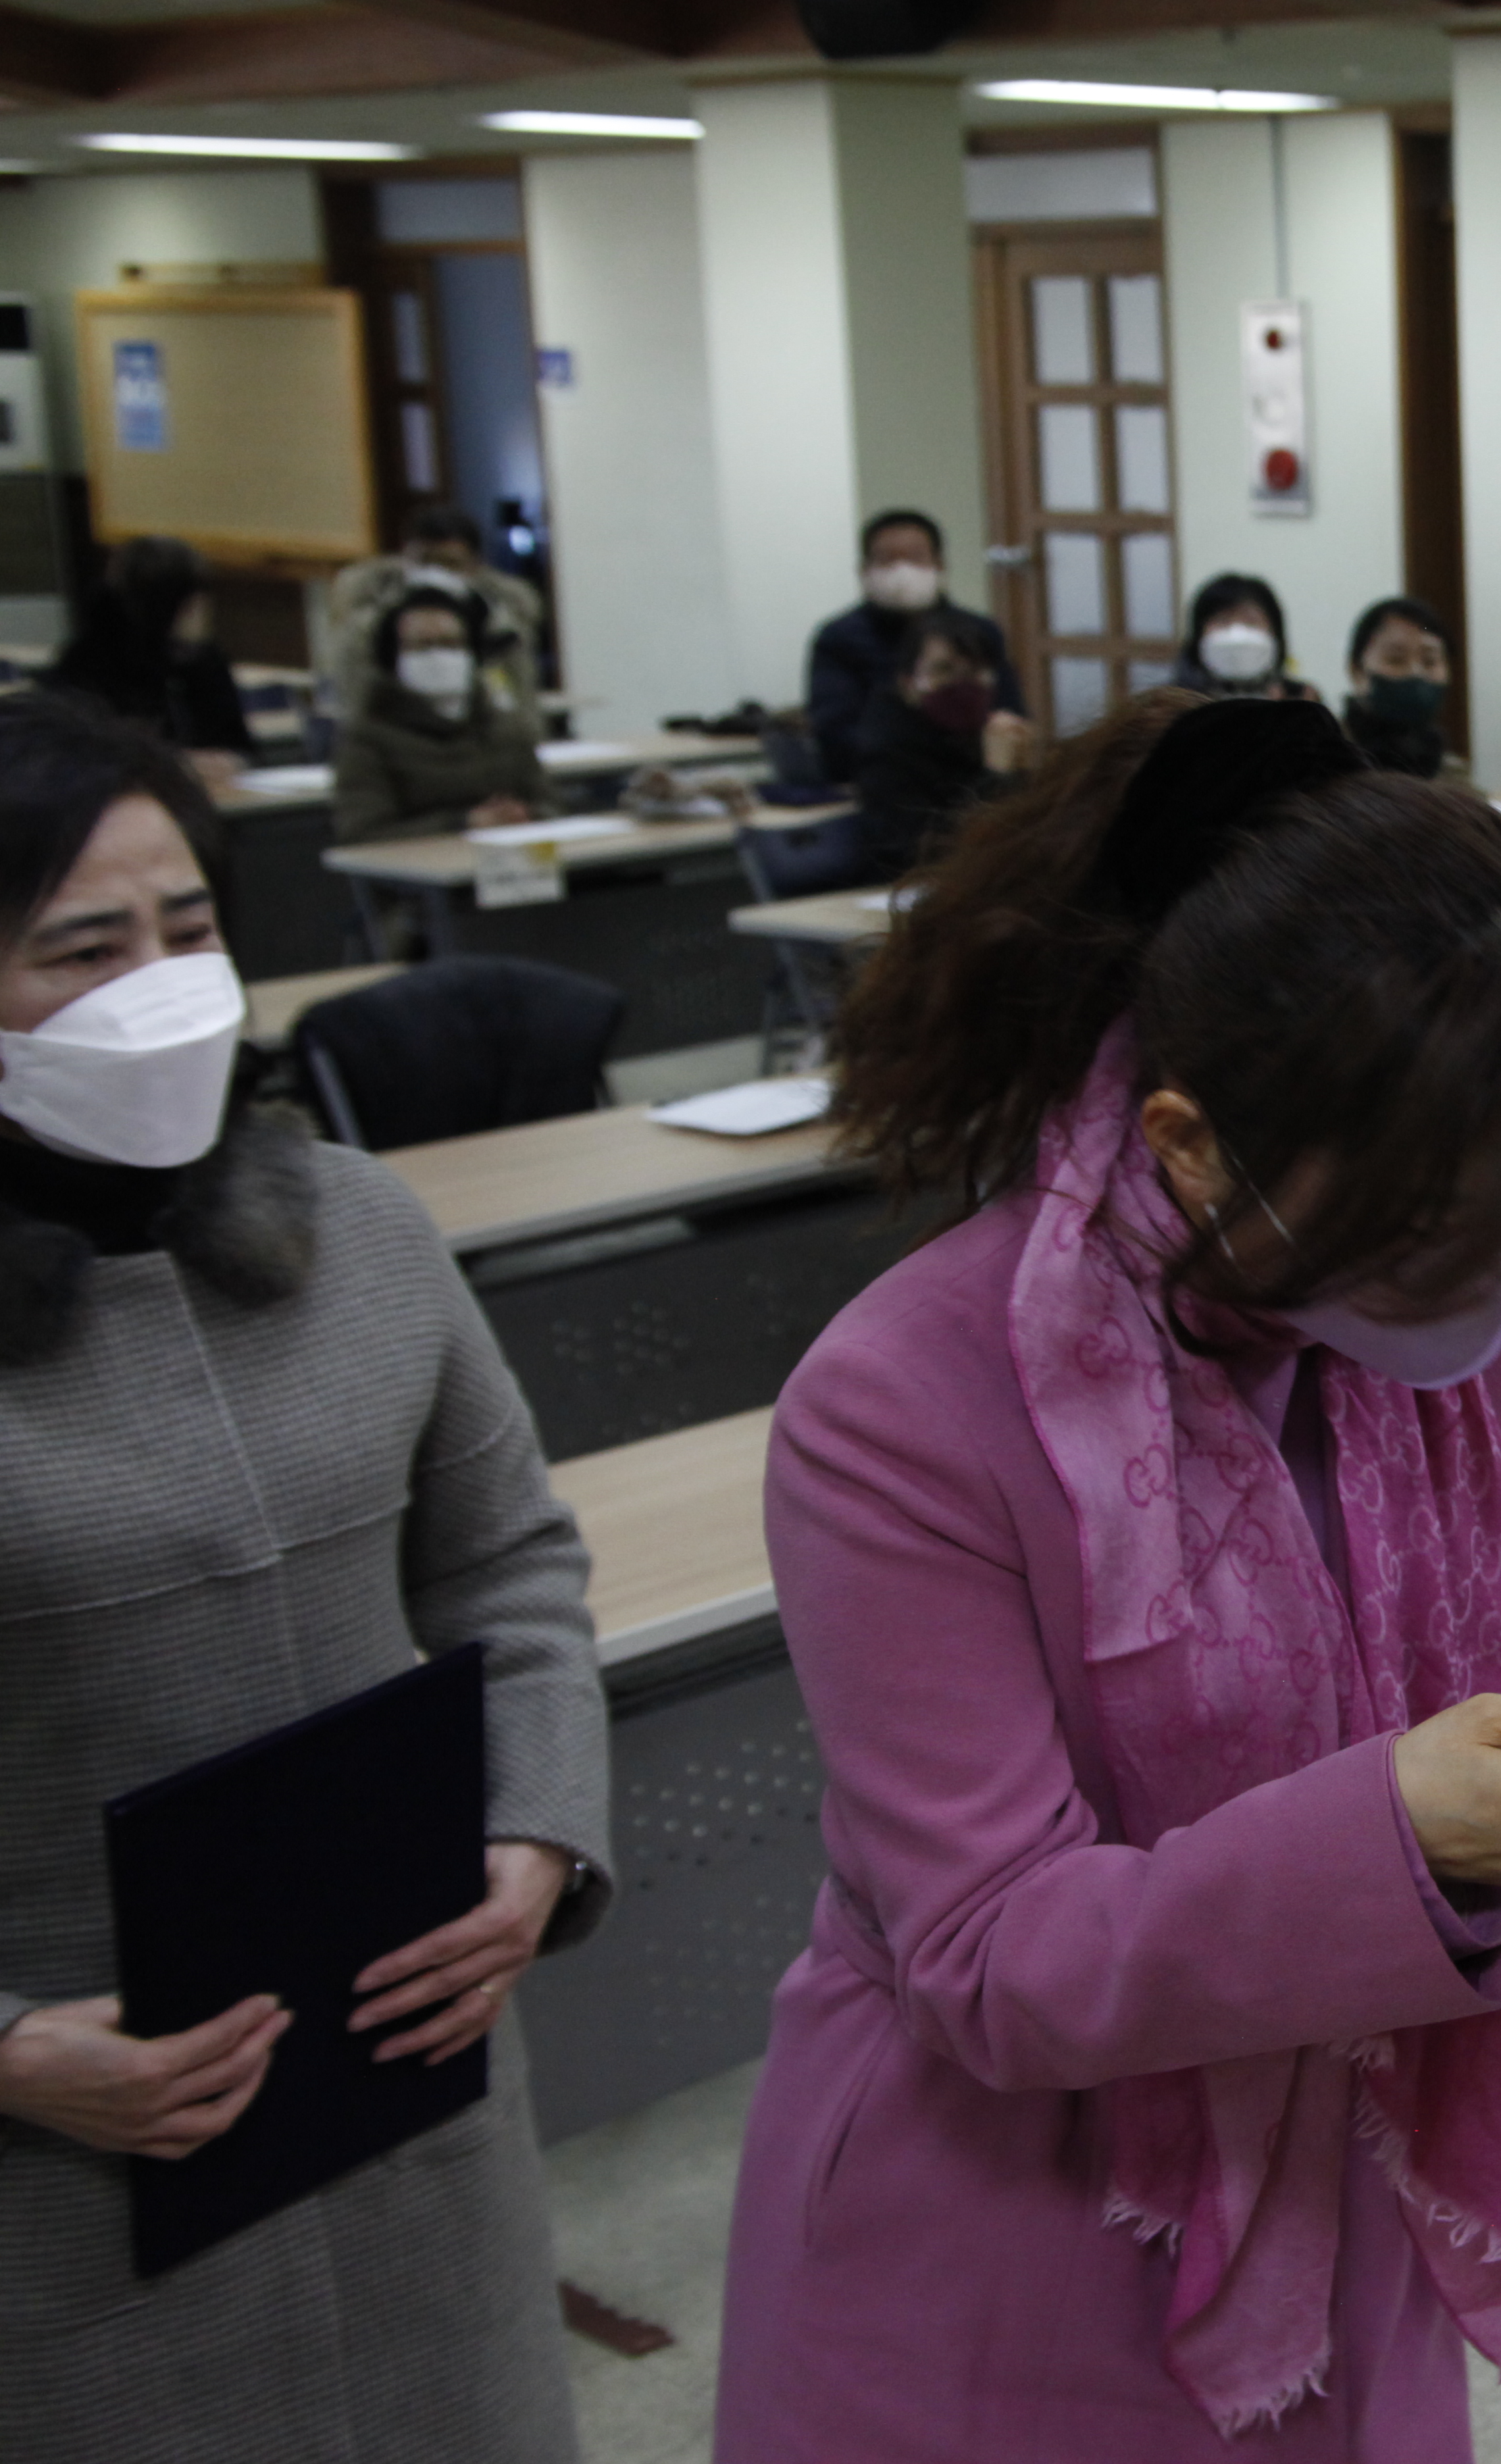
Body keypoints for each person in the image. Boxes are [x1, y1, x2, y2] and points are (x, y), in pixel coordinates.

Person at [712, 690, 1501, 2461]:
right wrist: (1400, 1835)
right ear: (1195, 1142)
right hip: (1007, 2245)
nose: (1494, 1284)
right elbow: (989, 1956)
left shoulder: (1434, 1289)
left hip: (1341, 2152)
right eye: (1442, 1236)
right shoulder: (904, 1406)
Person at [0, 691, 612, 2460]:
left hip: (406, 2089)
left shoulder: (361, 1232)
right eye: (80, 947)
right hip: (77, 2171)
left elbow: (512, 1570)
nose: (156, 984)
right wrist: (19, 2051)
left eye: (186, 927)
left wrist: (537, 1831)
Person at [805, 509, 1021, 783]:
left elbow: (1009, 711)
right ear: (864, 570)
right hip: (878, 775)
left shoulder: (979, 630)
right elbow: (834, 731)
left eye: (916, 557)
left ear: (940, 564)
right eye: (886, 560)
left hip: (976, 774)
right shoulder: (839, 637)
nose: (902, 570)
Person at [329, 585, 551, 846]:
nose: (439, 656)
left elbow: (551, 804)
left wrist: (526, 815)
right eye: (422, 646)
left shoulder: (505, 727)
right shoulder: (368, 738)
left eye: (451, 644)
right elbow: (362, 833)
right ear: (394, 659)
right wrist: (464, 823)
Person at [846, 607, 1038, 881]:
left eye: (976, 672)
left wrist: (1026, 773)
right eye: (944, 670)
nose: (962, 685)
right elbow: (916, 852)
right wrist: (997, 777)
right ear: (909, 685)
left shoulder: (990, 734)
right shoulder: (887, 748)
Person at [326, 502, 545, 738]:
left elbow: (518, 706)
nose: (435, 575)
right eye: (425, 562)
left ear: (474, 567)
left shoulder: (503, 625)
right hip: (396, 742)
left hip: (482, 744)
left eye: (450, 564)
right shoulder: (368, 624)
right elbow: (358, 704)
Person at [45, 535, 251, 783]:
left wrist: (230, 760)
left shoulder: (207, 661)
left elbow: (240, 744)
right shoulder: (90, 665)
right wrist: (172, 762)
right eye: (191, 604)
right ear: (164, 606)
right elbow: (81, 755)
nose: (204, 613)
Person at [1339, 594, 1458, 779]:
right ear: (1357, 672)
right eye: (1396, 660)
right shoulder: (1326, 760)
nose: (1416, 673)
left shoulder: (1452, 774)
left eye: (1430, 662)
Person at [1171, 572, 1321, 703]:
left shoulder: (1301, 698)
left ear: (1275, 634)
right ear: (1199, 633)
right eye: (1223, 621)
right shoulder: (1175, 701)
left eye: (1251, 622)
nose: (1237, 634)